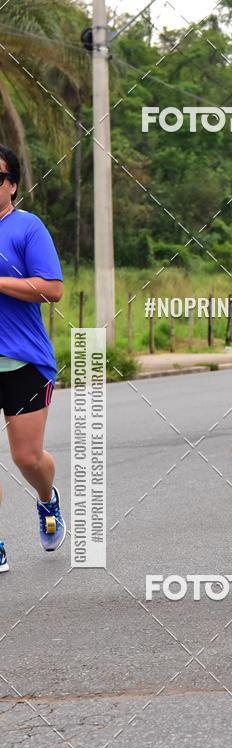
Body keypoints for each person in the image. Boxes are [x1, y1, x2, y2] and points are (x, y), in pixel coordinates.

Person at [0, 145, 66, 573]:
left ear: (12, 185)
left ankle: (47, 498)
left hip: (23, 363)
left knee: (27, 458)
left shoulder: (26, 227)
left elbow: (52, 288)